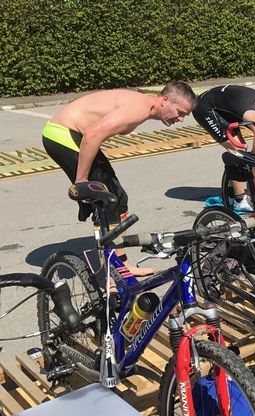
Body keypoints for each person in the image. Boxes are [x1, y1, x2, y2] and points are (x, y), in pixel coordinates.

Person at [42, 82, 197, 275]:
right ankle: (113, 272)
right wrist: (81, 181)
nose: (180, 119)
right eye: (180, 112)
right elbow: (92, 134)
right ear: (165, 100)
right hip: (62, 134)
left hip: (70, 134)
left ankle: (121, 265)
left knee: (118, 199)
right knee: (107, 201)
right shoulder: (139, 108)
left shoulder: (143, 106)